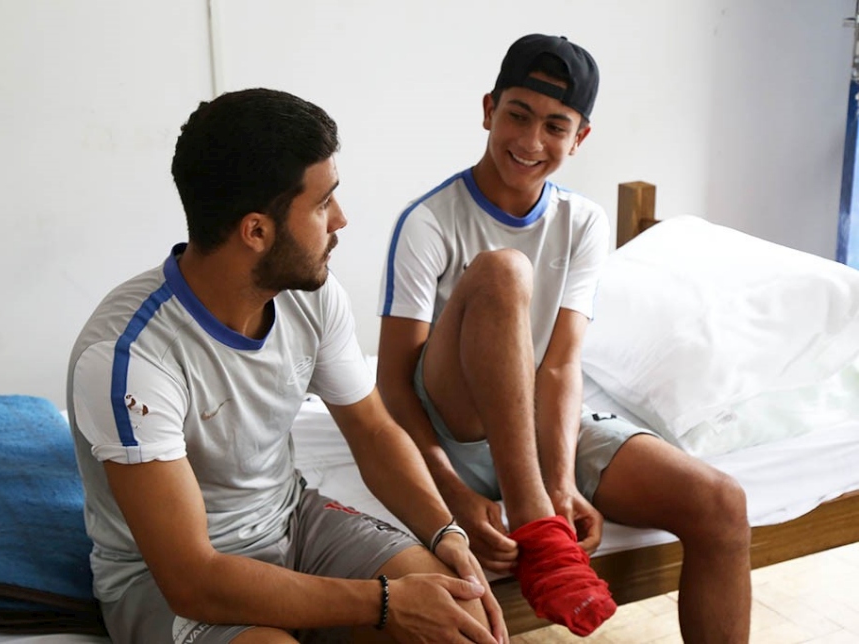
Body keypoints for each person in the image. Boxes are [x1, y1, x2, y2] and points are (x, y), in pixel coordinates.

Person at [66, 88, 509, 644]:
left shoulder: (312, 294)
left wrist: (444, 531)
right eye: (324, 204)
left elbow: (372, 430)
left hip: (294, 522)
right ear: (256, 230)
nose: (341, 221)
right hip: (165, 583)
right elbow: (192, 579)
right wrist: (385, 602)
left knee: (456, 618)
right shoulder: (127, 357)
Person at [376, 34, 752, 641]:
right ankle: (538, 526)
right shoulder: (429, 221)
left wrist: (562, 483)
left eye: (555, 126)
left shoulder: (584, 221)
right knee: (504, 272)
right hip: (456, 421)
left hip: (543, 424)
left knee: (722, 504)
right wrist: (450, 493)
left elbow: (558, 368)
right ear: (487, 110)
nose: (529, 142)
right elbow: (392, 384)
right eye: (517, 115)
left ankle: (539, 507)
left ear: (579, 138)